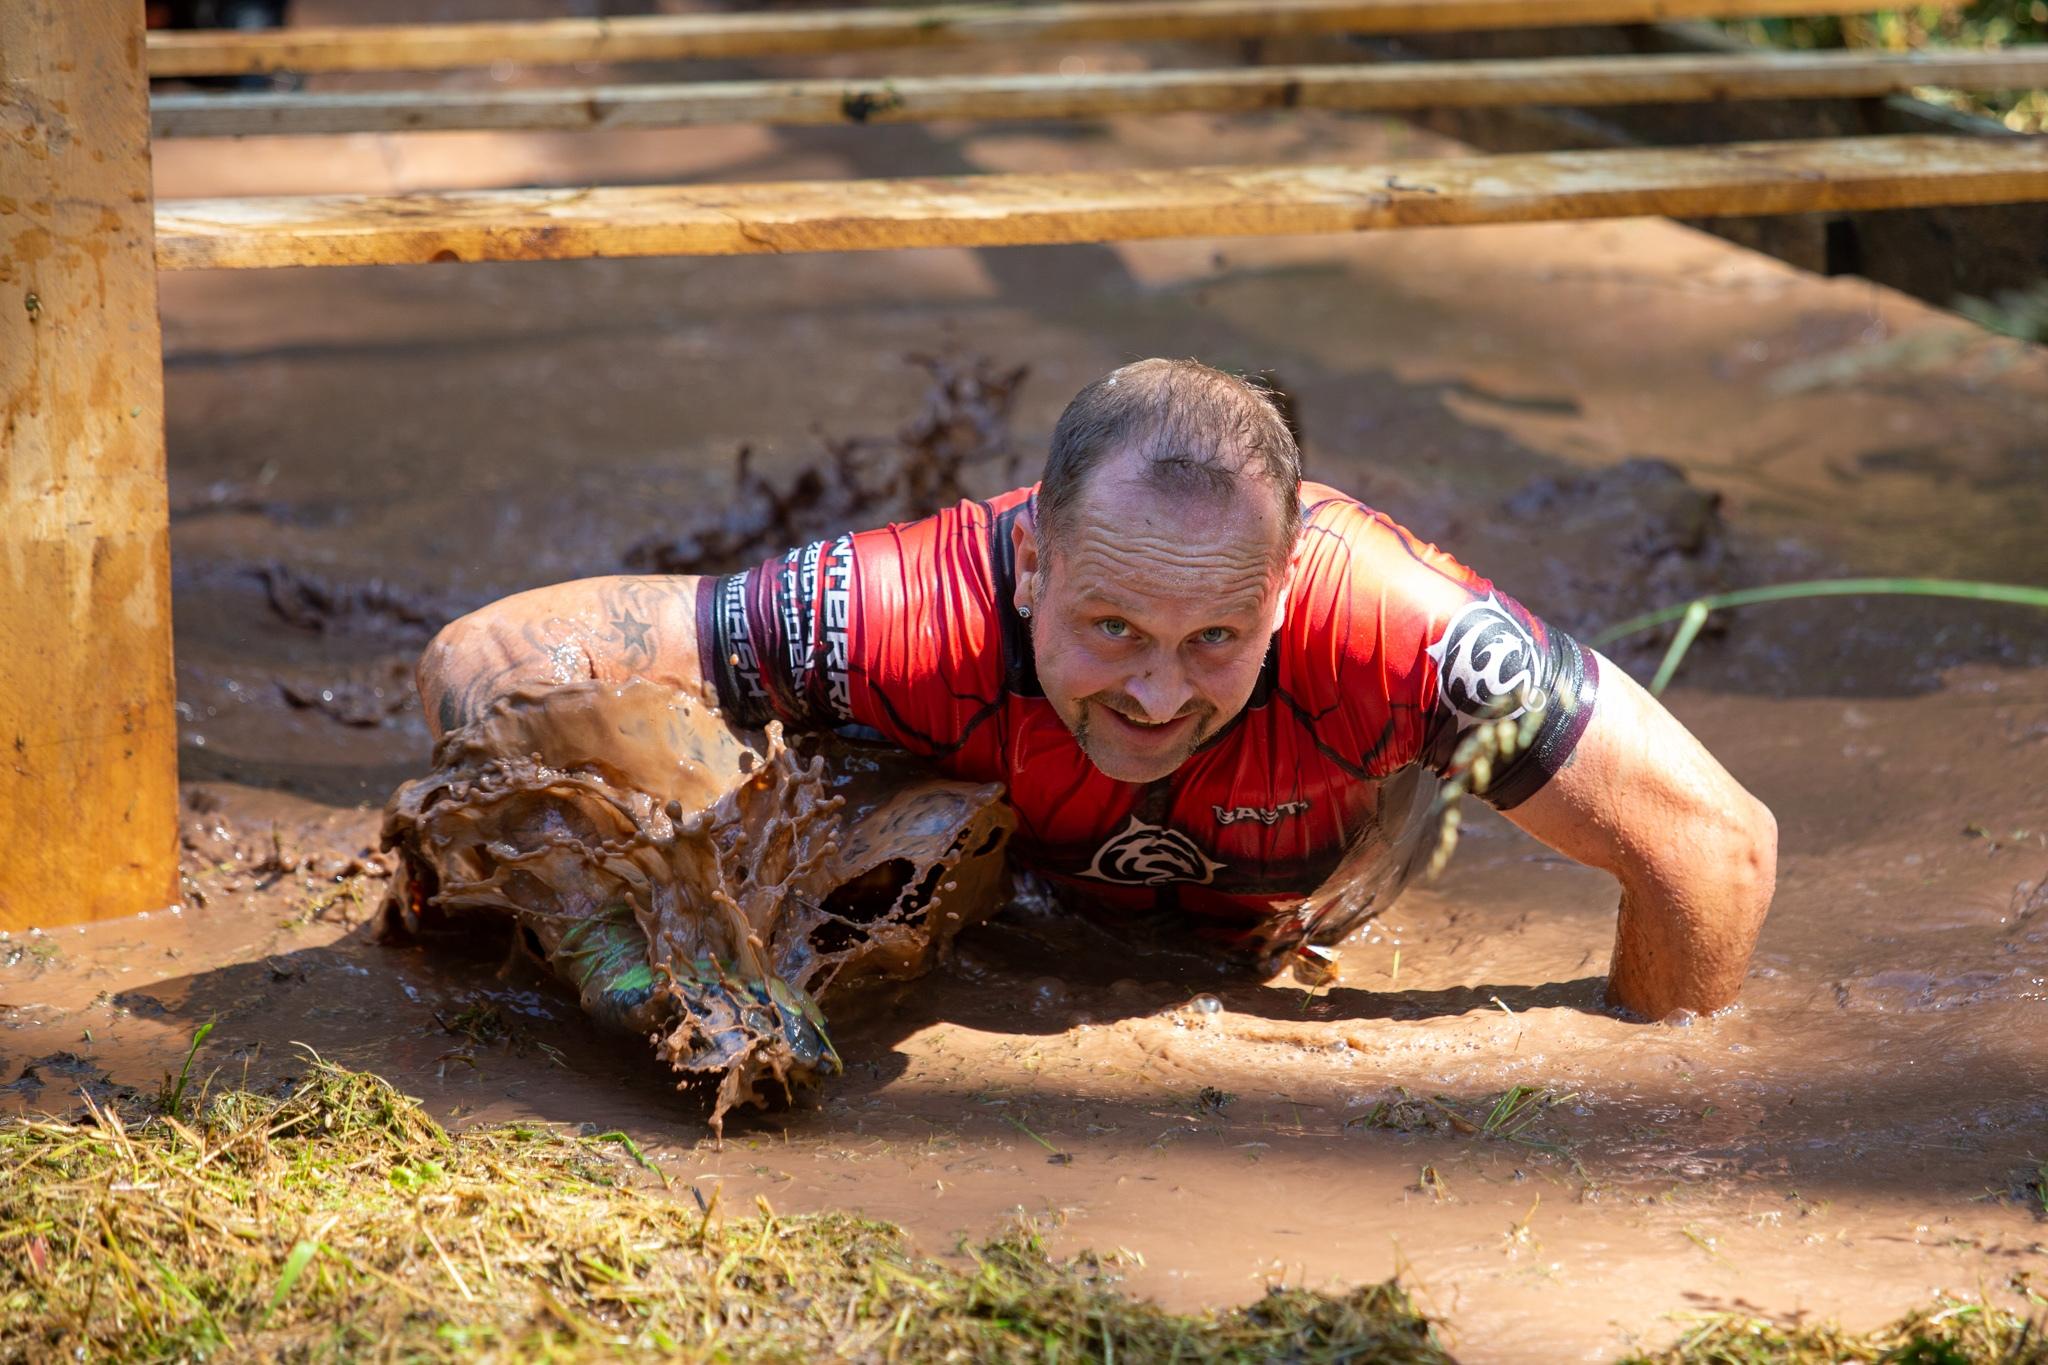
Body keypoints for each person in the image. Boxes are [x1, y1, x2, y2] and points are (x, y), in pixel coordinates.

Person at [417, 359, 1775, 1020]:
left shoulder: (1393, 632)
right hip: (1016, 842)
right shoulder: (909, 611)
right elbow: (487, 654)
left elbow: (1711, 849)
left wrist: (1647, 1108)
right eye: (1112, 623)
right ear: (1027, 563)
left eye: (1212, 640)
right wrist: (625, 929)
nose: (1153, 694)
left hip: (1320, 877)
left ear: (1288, 591)